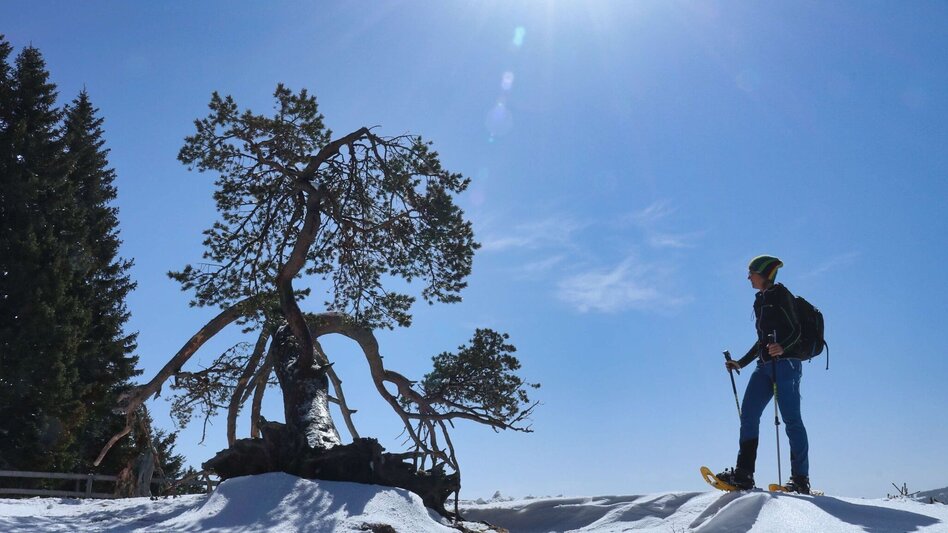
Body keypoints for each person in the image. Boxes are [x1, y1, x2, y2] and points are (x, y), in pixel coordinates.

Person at [716, 255, 811, 494]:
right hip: (764, 366)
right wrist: (741, 362)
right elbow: (761, 341)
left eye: (752, 273)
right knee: (748, 414)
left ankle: (800, 479)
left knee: (791, 420)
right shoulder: (759, 301)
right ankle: (744, 474)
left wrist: (783, 347)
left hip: (786, 365)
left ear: (764, 274)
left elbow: (797, 330)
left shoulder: (782, 295)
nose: (748, 277)